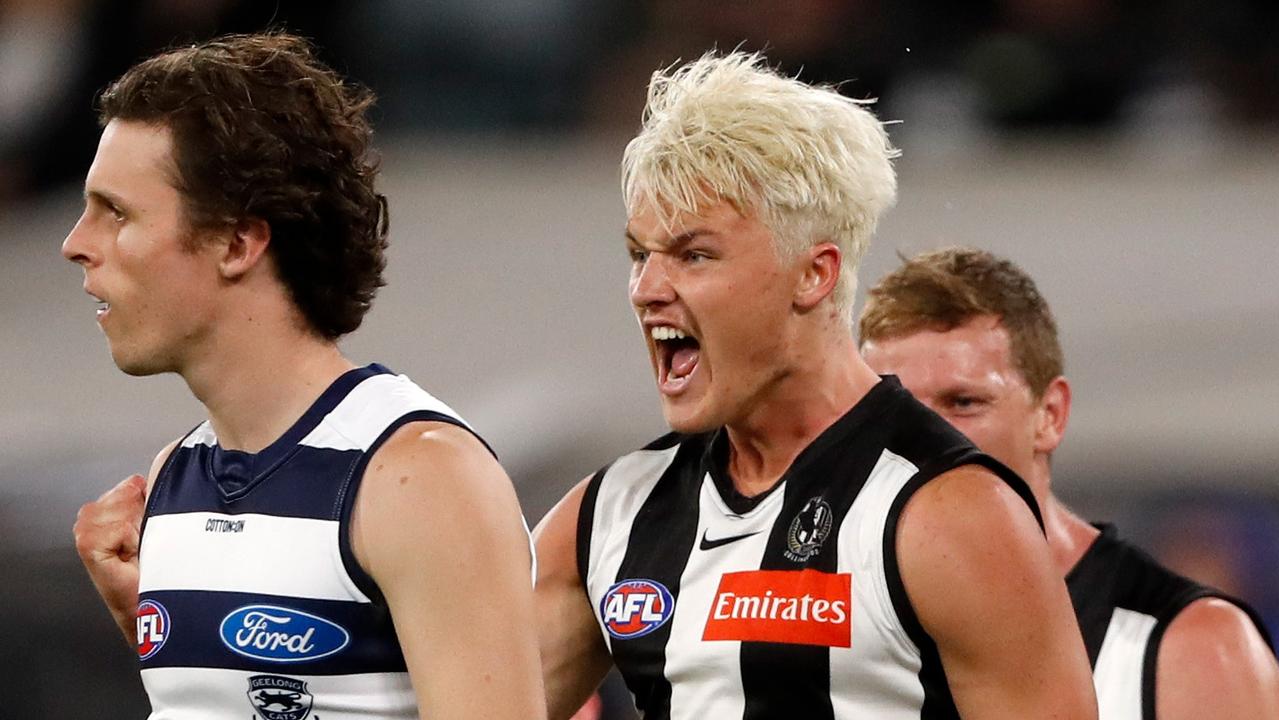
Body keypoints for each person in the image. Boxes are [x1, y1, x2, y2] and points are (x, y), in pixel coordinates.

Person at [533, 51, 1098, 720]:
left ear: (814, 276)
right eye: (639, 255)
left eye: (694, 254)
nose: (647, 290)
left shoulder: (950, 514)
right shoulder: (606, 517)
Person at [66, 32, 545, 719]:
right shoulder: (173, 479)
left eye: (116, 212)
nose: (75, 243)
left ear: (237, 243)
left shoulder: (419, 478)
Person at [857, 247, 1279, 719]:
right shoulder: (811, 627)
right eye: (896, 407)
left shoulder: (1190, 652)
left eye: (963, 402)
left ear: (1050, 416)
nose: (923, 436)